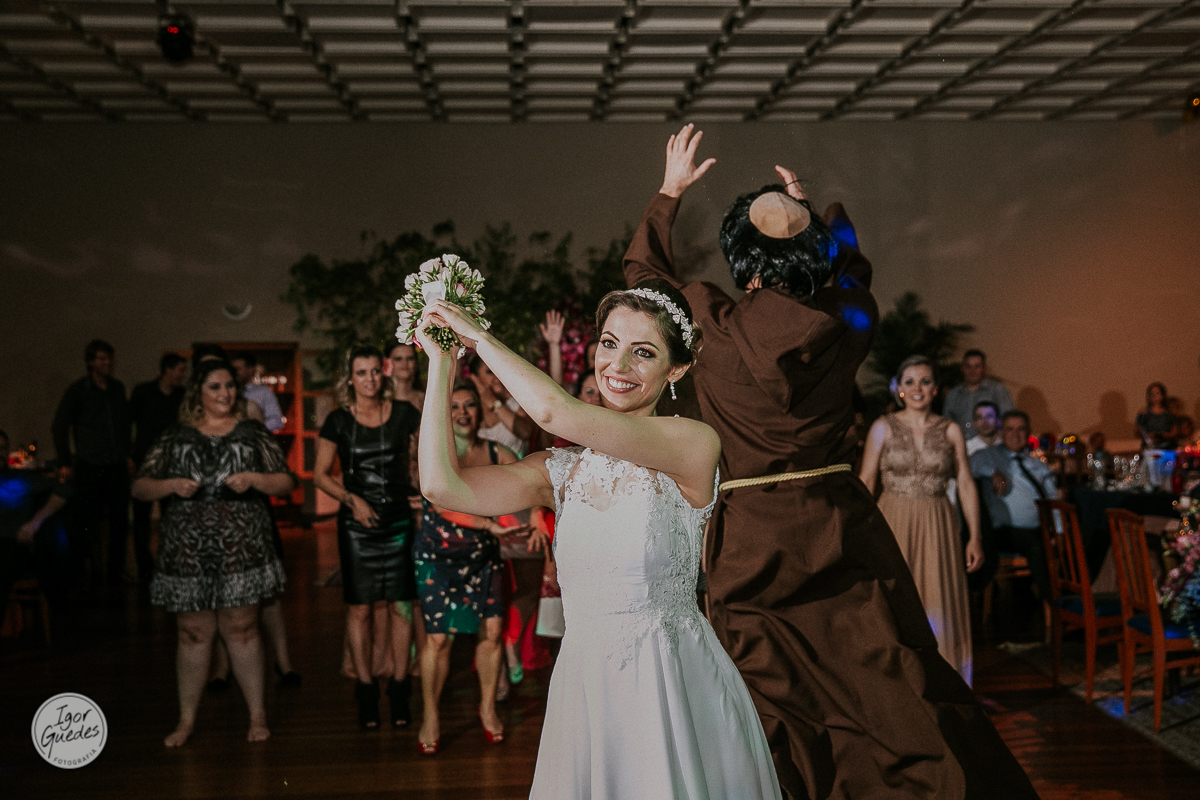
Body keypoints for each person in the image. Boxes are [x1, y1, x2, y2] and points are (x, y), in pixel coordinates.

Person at [623, 124, 1037, 799]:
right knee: (882, 687)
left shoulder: (713, 324)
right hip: (838, 527)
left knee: (778, 706)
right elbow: (855, 269)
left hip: (751, 542)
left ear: (740, 258)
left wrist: (668, 193)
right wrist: (812, 213)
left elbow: (643, 279)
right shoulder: (847, 318)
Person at [415, 285, 781, 798]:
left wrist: (479, 336)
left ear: (675, 370)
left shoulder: (693, 444)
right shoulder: (557, 472)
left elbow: (552, 413)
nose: (618, 364)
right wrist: (441, 362)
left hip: (670, 680)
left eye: (644, 352)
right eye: (609, 343)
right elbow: (440, 486)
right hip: (586, 686)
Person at [132, 359, 295, 747]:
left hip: (241, 546)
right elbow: (139, 486)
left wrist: (255, 479)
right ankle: (186, 720)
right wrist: (170, 484)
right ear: (198, 394)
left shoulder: (252, 432)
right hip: (188, 549)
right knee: (192, 632)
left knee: (242, 629)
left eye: (229, 387)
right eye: (215, 387)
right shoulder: (176, 436)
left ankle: (257, 715)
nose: (225, 394)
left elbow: (285, 481)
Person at [411, 379, 528, 755]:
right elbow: (442, 502)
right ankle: (430, 714)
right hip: (437, 555)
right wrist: (489, 523)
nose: (462, 412)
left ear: (481, 412)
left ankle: (488, 708)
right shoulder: (435, 451)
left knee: (492, 633)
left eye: (470, 406)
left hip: (483, 555)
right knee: (439, 638)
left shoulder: (497, 452)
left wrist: (539, 519)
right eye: (455, 406)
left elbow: (533, 482)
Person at [314, 345, 422, 729]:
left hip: (398, 521)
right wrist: (351, 500)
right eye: (362, 373)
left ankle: (398, 689)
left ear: (385, 372)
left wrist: (422, 490)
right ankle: (364, 691)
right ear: (350, 378)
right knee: (360, 608)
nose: (370, 379)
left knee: (401, 606)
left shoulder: (406, 413)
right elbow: (321, 473)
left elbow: (433, 453)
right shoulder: (338, 421)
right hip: (357, 526)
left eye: (376, 371)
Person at [859, 356, 984, 685]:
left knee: (938, 598)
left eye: (925, 381)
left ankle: (945, 680)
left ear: (936, 388)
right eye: (910, 382)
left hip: (937, 522)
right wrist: (859, 533)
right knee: (896, 600)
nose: (918, 388)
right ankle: (899, 679)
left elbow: (967, 483)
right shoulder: (882, 427)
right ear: (899, 389)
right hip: (893, 518)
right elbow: (866, 482)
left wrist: (975, 537)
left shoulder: (951, 429)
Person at [52, 339, 133, 588]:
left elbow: (124, 424)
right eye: (101, 359)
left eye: (109, 358)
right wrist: (66, 461)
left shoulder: (117, 388)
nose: (106, 363)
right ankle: (80, 570)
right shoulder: (79, 390)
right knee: (84, 521)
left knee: (120, 520)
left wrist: (127, 454)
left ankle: (115, 571)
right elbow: (60, 425)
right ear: (90, 362)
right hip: (90, 463)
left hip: (116, 463)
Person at [970, 410, 1059, 607]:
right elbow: (968, 465)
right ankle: (1055, 605)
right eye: (1009, 429)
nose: (1015, 434)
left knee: (1086, 536)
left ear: (1028, 432)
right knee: (1036, 546)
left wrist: (1058, 532)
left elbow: (1053, 501)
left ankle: (1079, 599)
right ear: (1001, 432)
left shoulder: (1038, 465)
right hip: (1004, 532)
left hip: (1040, 529)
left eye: (1021, 429)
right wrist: (992, 472)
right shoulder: (988, 456)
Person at [129, 353, 188, 585]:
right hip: (146, 461)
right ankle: (145, 567)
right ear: (167, 369)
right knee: (141, 518)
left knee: (170, 516)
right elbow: (129, 421)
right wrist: (129, 455)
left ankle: (168, 563)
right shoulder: (143, 392)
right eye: (180, 370)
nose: (182, 375)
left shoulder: (181, 396)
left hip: (171, 462)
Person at [0, 428, 73, 604]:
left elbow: (63, 489)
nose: (0, 453)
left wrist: (35, 522)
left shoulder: (20, 478)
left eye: (3, 448)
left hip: (10, 545)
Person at [469, 354, 534, 458]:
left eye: (499, 370)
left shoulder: (512, 402)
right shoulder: (469, 408)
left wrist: (493, 402)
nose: (497, 376)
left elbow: (525, 432)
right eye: (490, 371)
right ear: (475, 379)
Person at [943, 350, 1015, 441]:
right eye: (968, 366)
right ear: (962, 368)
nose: (972, 371)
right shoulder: (953, 394)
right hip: (961, 448)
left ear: (984, 369)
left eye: (977, 366)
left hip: (990, 449)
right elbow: (947, 424)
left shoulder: (997, 390)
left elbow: (1009, 420)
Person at [230, 353, 284, 433]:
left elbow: (277, 421)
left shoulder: (264, 392)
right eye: (232, 370)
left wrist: (254, 431)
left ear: (251, 370)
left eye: (238, 369)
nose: (234, 373)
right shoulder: (228, 391)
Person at [1136, 381, 1178, 449]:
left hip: (1167, 445)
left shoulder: (1169, 412)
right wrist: (1148, 436)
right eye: (1151, 394)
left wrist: (1165, 435)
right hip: (1150, 446)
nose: (1154, 396)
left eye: (1157, 393)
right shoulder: (1144, 412)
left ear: (1162, 395)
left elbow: (1175, 430)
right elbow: (1138, 430)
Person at [386, 341, 426, 411]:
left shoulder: (426, 398)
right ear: (387, 363)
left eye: (410, 358)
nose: (404, 363)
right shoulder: (379, 399)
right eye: (398, 359)